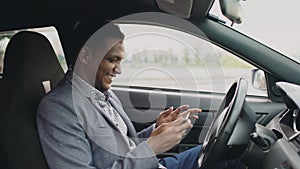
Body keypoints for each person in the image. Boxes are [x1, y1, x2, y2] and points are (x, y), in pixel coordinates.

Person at [36, 20, 243, 169]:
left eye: (120, 61)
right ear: (85, 56)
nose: (118, 70)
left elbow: (126, 145)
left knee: (231, 155)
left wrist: (157, 129)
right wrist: (152, 148)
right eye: (112, 60)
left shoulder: (103, 93)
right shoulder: (59, 109)